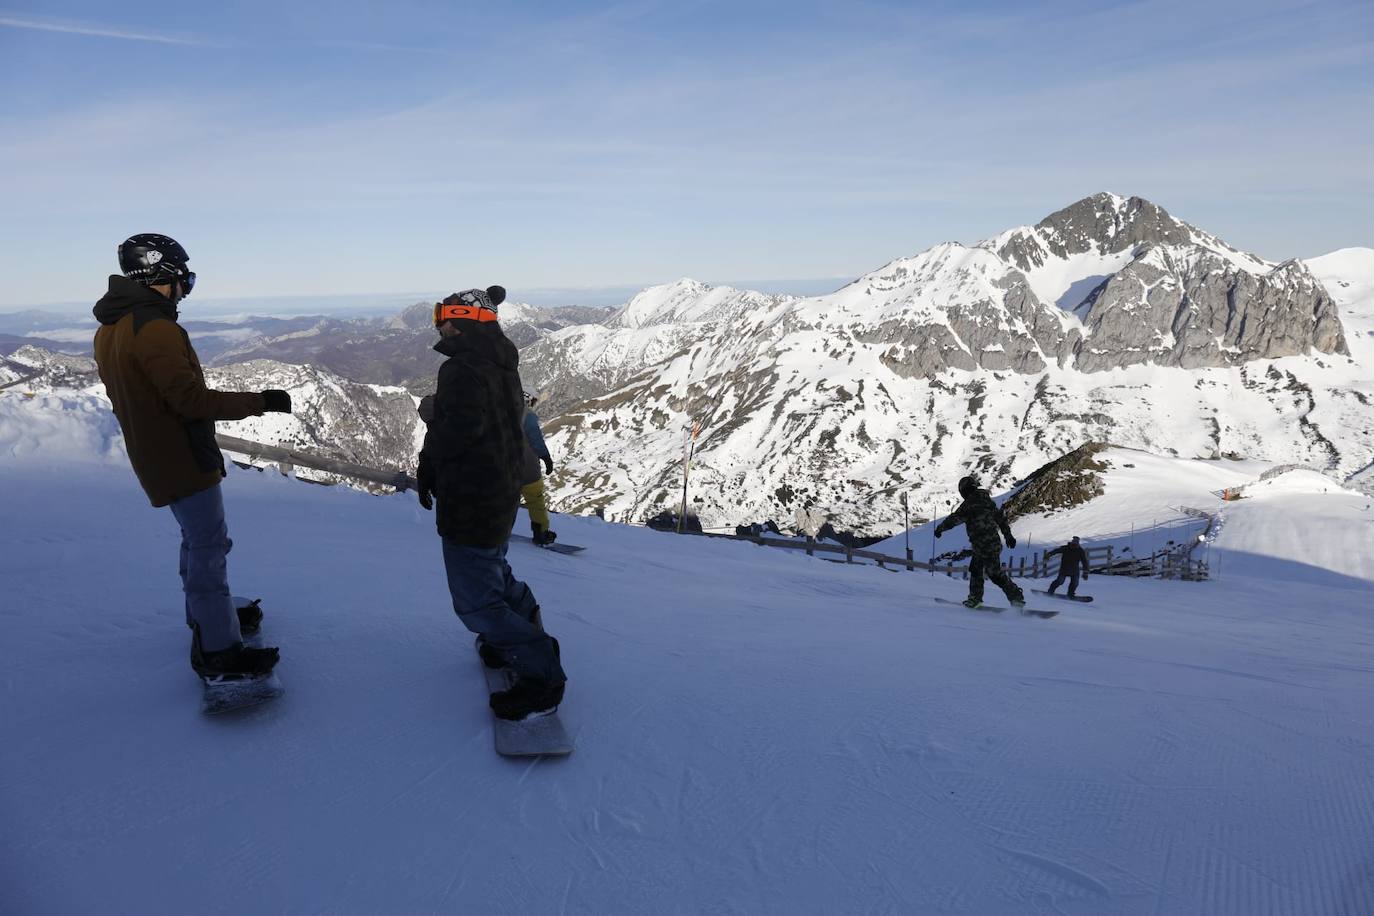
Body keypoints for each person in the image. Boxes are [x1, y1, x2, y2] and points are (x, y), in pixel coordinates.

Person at [92, 234, 291, 682]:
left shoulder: (111, 329)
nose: (186, 289)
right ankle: (219, 651)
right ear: (162, 277)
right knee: (208, 547)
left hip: (156, 452)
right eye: (186, 279)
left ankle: (209, 618)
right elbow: (189, 401)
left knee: (199, 541)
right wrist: (260, 401)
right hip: (181, 455)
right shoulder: (154, 328)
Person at [416, 286, 568, 720]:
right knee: (493, 572)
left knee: (476, 601)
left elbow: (458, 432)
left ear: (462, 320)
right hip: (499, 491)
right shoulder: (501, 363)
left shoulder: (463, 370)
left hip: (471, 496)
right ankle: (522, 635)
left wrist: (430, 450)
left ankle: (540, 672)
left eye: (443, 317)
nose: (439, 325)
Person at [934, 475, 1025, 608]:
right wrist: (1008, 536)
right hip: (991, 544)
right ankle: (976, 598)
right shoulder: (987, 501)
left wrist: (940, 529)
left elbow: (955, 519)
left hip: (983, 545)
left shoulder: (969, 505)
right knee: (977, 569)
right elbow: (1000, 518)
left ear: (964, 490)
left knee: (994, 574)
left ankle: (1015, 597)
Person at [520, 390, 557, 546]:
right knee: (536, 501)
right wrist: (546, 458)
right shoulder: (526, 416)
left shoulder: (500, 411)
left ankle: (495, 528)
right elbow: (536, 439)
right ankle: (540, 533)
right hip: (528, 468)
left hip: (505, 468)